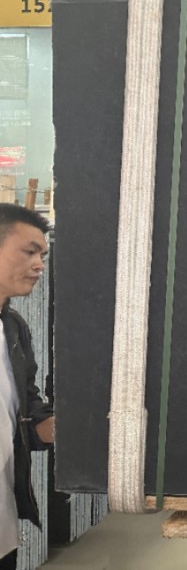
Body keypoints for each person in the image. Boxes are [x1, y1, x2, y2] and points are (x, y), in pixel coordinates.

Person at [0, 204, 54, 570]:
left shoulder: (13, 329)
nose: (39, 265)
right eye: (29, 252)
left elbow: (27, 417)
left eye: (43, 256)